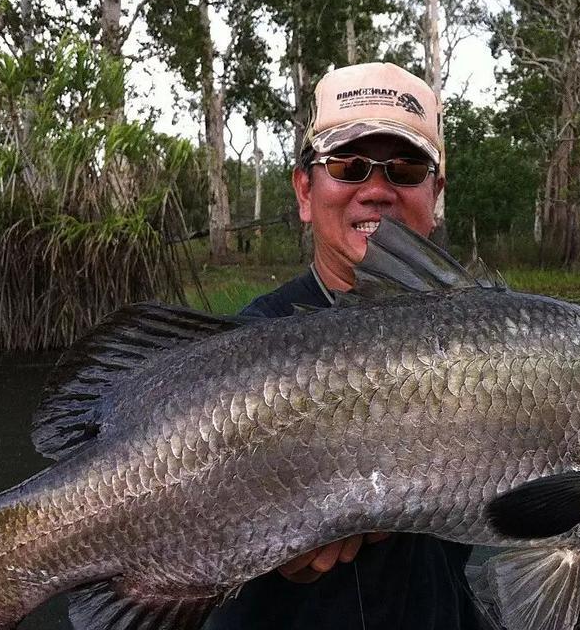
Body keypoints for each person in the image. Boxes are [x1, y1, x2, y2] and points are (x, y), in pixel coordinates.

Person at [205, 62, 487, 630]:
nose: (376, 190)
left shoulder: (491, 340)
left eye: (406, 169)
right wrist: (264, 553)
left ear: (436, 194)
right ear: (305, 190)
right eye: (348, 165)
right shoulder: (240, 351)